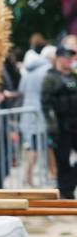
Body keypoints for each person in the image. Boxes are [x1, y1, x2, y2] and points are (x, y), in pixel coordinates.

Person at [42, 44, 77, 198]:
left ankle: (66, 187)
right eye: (66, 56)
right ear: (58, 58)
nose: (69, 60)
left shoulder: (74, 76)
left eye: (71, 57)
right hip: (60, 129)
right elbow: (46, 105)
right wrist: (53, 127)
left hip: (75, 126)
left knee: (65, 167)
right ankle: (65, 193)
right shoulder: (50, 78)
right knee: (62, 162)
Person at [18, 46, 54, 186]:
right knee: (40, 146)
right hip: (41, 114)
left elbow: (21, 89)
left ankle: (31, 176)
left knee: (35, 146)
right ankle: (32, 176)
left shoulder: (29, 70)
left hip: (29, 113)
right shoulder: (48, 70)